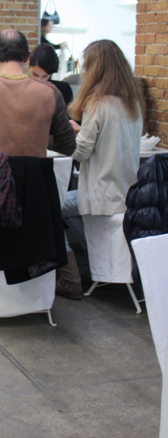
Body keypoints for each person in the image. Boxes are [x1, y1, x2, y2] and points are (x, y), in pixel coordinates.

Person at [58, 40, 144, 298]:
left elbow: (81, 153)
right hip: (127, 192)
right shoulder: (132, 103)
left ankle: (73, 273)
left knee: (54, 206)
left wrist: (70, 133)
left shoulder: (97, 103)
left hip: (102, 194)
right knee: (69, 208)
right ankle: (93, 261)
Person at [0, 28, 76, 157]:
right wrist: (41, 138)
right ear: (27, 57)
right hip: (33, 168)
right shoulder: (49, 93)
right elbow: (68, 146)